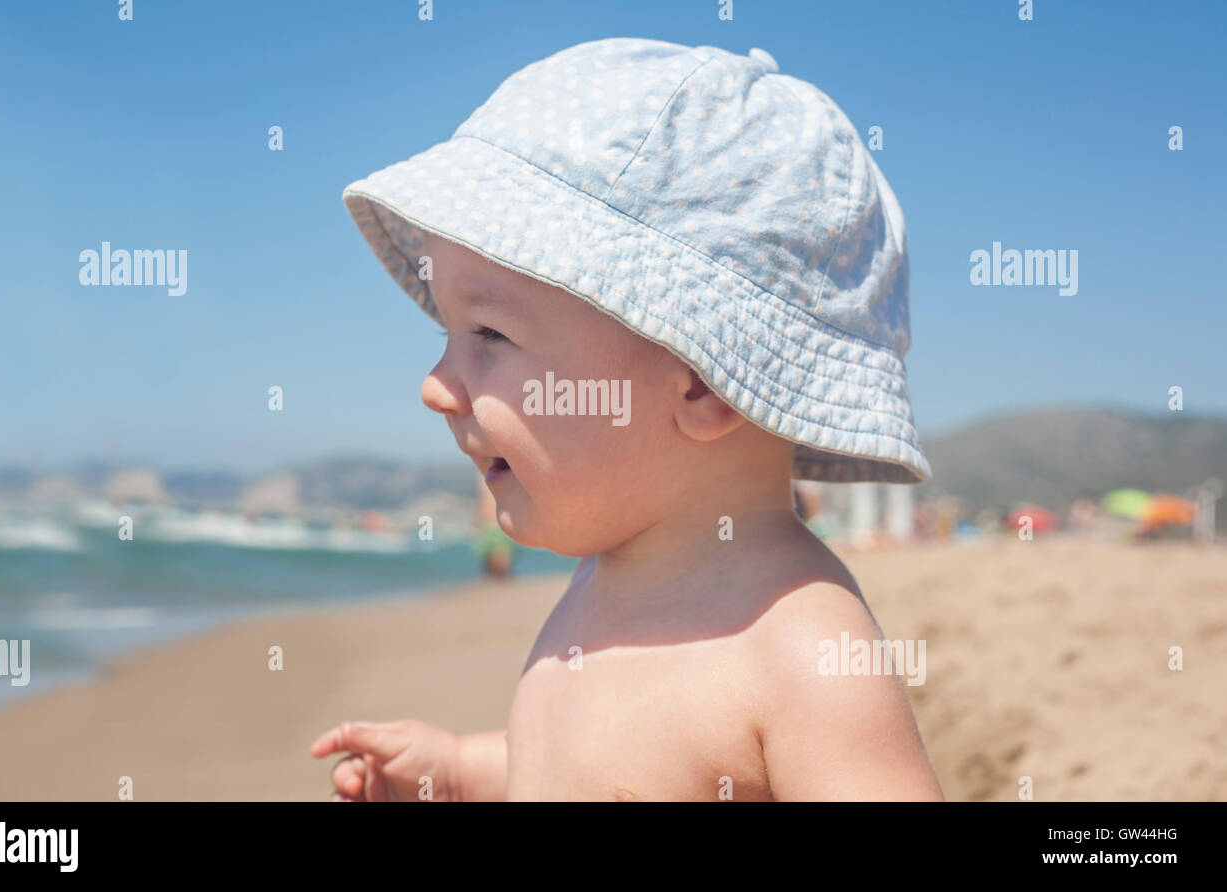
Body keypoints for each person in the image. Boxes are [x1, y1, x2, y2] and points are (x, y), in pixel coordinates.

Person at [312, 39, 942, 801]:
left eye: (490, 336)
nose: (436, 387)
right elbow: (584, 762)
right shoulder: (603, 582)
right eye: (447, 335)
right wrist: (459, 771)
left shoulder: (803, 650)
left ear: (706, 385)